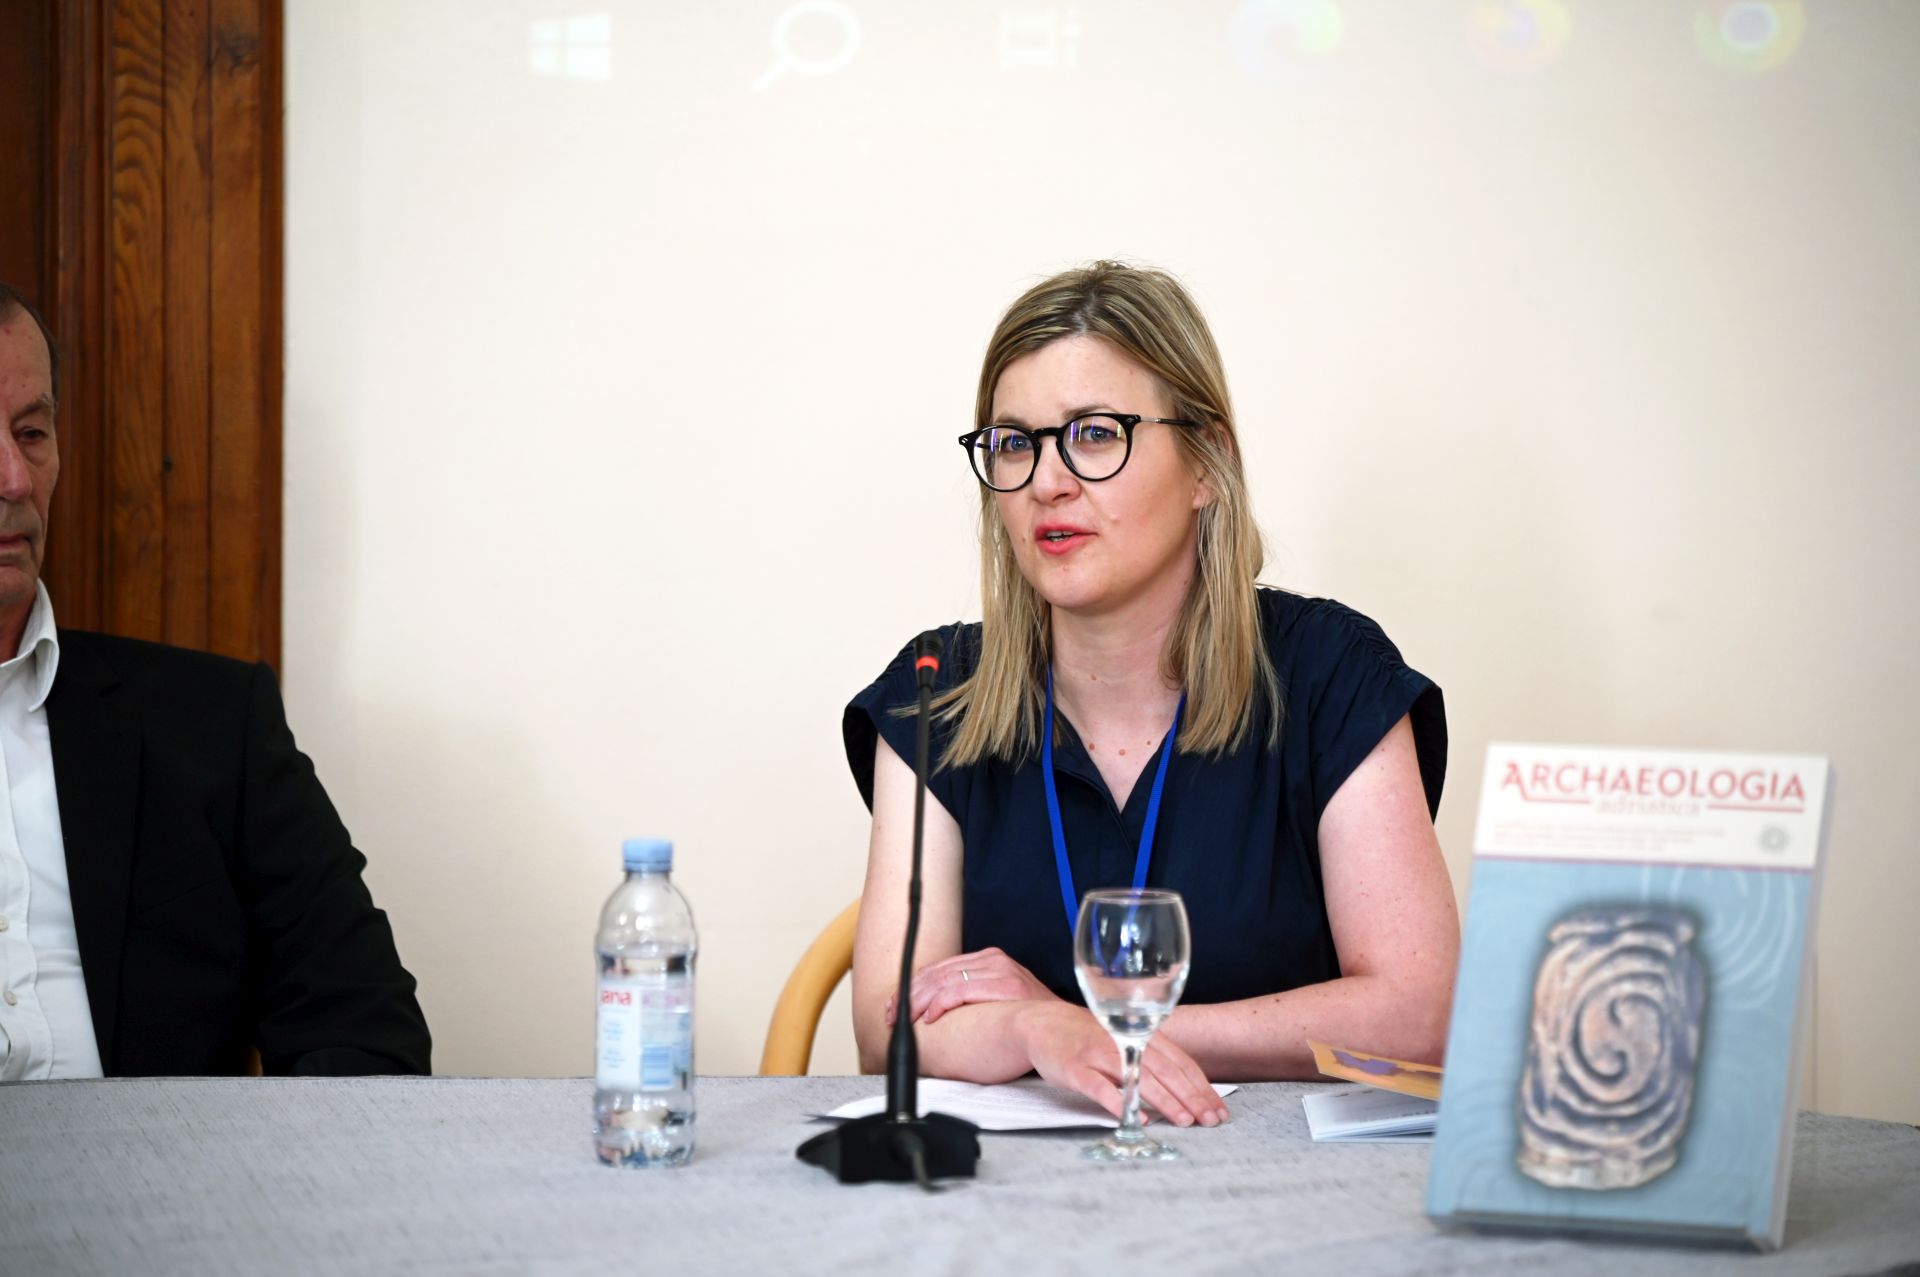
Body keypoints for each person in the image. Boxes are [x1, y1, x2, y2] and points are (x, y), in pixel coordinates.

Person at [843, 262, 1458, 1127]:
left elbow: (1419, 1017)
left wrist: (1094, 1028)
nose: (1047, 482)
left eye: (1095, 433)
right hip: (1013, 1197)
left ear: (1208, 462)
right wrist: (1032, 1027)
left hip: (1267, 1185)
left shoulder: (1331, 673)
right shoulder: (935, 692)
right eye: (1014, 443)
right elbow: (889, 1027)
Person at [0, 281, 430, 1078]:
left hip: (155, 1158)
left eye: (32, 433)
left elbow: (366, 1030)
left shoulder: (215, 728)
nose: (16, 481)